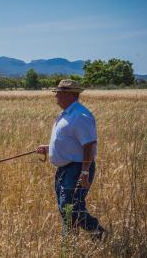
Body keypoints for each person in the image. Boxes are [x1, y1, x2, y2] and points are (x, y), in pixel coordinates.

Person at [36, 79, 106, 240]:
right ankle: (70, 241)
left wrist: (85, 171)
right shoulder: (67, 114)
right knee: (64, 207)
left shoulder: (80, 116)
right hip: (65, 170)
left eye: (58, 93)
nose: (56, 97)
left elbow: (88, 145)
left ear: (69, 94)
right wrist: (49, 148)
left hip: (77, 168)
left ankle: (97, 232)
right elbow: (72, 141)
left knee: (72, 207)